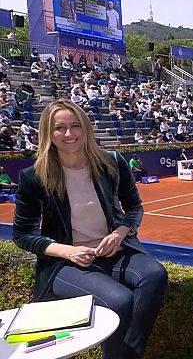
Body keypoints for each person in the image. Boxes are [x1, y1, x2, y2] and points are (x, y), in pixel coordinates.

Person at [12, 99, 167, 359]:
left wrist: (120, 233)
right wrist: (67, 252)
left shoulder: (112, 162)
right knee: (119, 301)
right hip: (66, 264)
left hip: (115, 251)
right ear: (48, 133)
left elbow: (134, 208)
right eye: (60, 128)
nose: (69, 134)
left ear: (86, 128)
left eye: (75, 126)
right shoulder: (34, 176)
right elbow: (22, 234)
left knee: (155, 275)